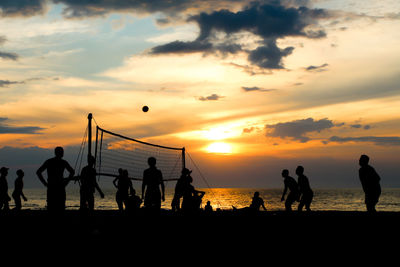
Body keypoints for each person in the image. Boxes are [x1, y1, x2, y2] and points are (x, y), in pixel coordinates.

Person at [36, 146, 75, 212]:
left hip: (52, 186)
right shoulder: (63, 162)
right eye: (62, 152)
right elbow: (72, 172)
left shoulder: (49, 161)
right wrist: (67, 182)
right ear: (58, 153)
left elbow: (38, 172)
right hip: (58, 187)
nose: (63, 153)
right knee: (59, 206)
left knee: (52, 206)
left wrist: (45, 183)